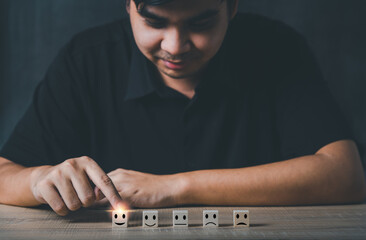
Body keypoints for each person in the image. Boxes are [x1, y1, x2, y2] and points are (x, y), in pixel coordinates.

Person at [0, 0, 365, 216]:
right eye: (154, 22)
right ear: (128, 5)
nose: (175, 46)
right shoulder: (86, 61)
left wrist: (174, 187)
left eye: (200, 22)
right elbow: (4, 173)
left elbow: (346, 174)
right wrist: (38, 179)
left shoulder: (278, 49)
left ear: (232, 6)